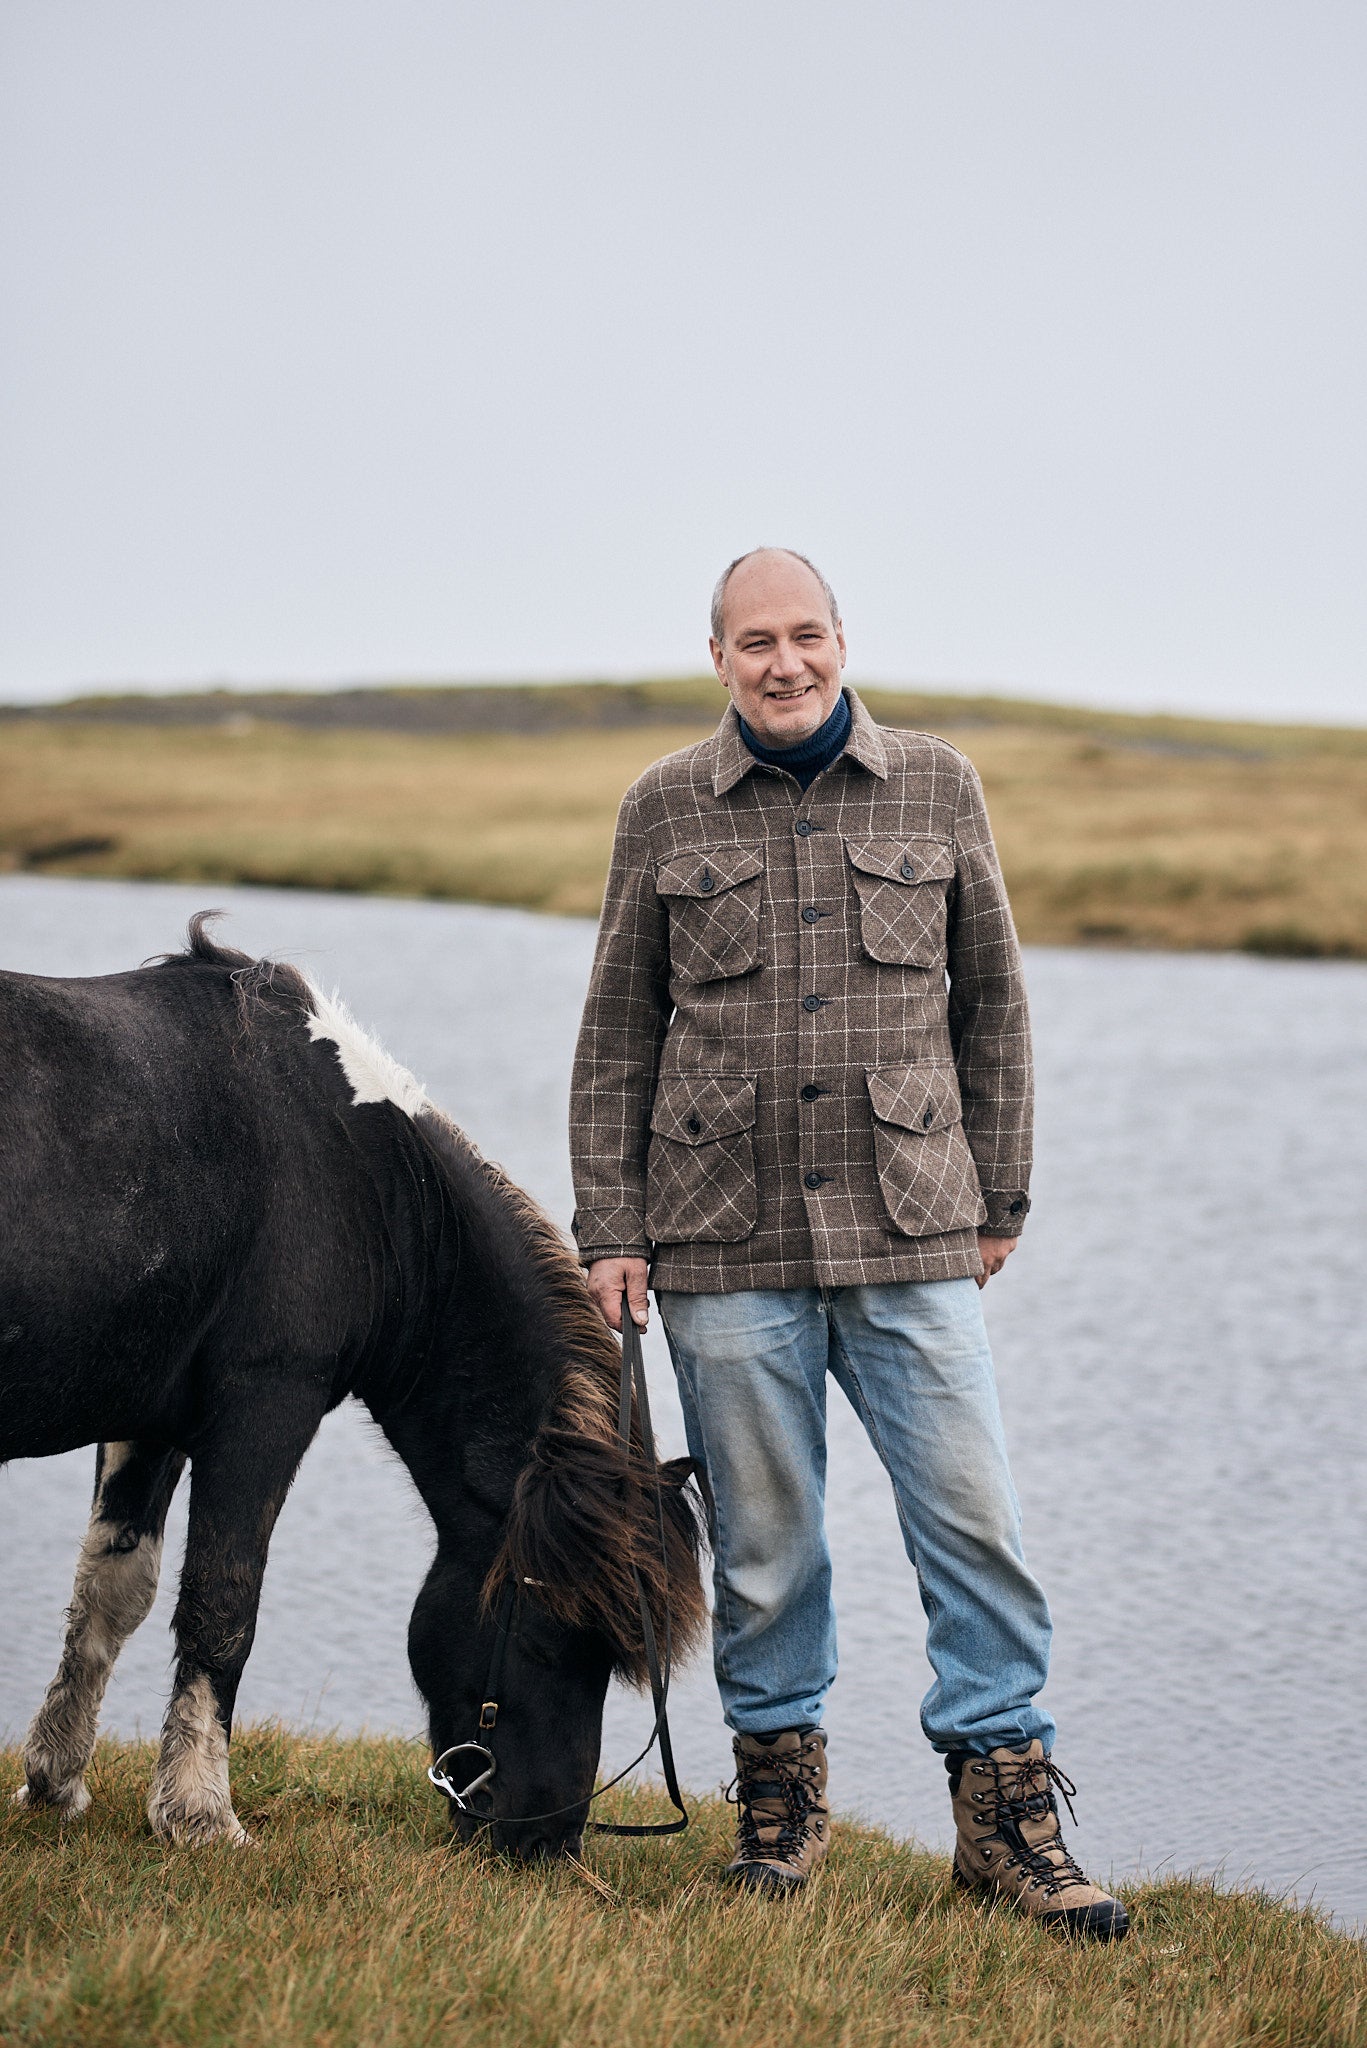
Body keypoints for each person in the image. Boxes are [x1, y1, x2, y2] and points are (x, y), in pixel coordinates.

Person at [568, 547, 1126, 1939]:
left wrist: (1001, 1199)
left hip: (916, 1228)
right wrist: (611, 1230)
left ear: (839, 640)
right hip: (718, 1241)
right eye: (754, 640)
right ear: (719, 657)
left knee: (973, 1523)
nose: (784, 662)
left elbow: (993, 1000)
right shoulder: (662, 807)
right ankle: (780, 1807)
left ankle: (1008, 1818)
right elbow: (616, 1032)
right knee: (765, 1547)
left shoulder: (938, 785)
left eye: (805, 635)